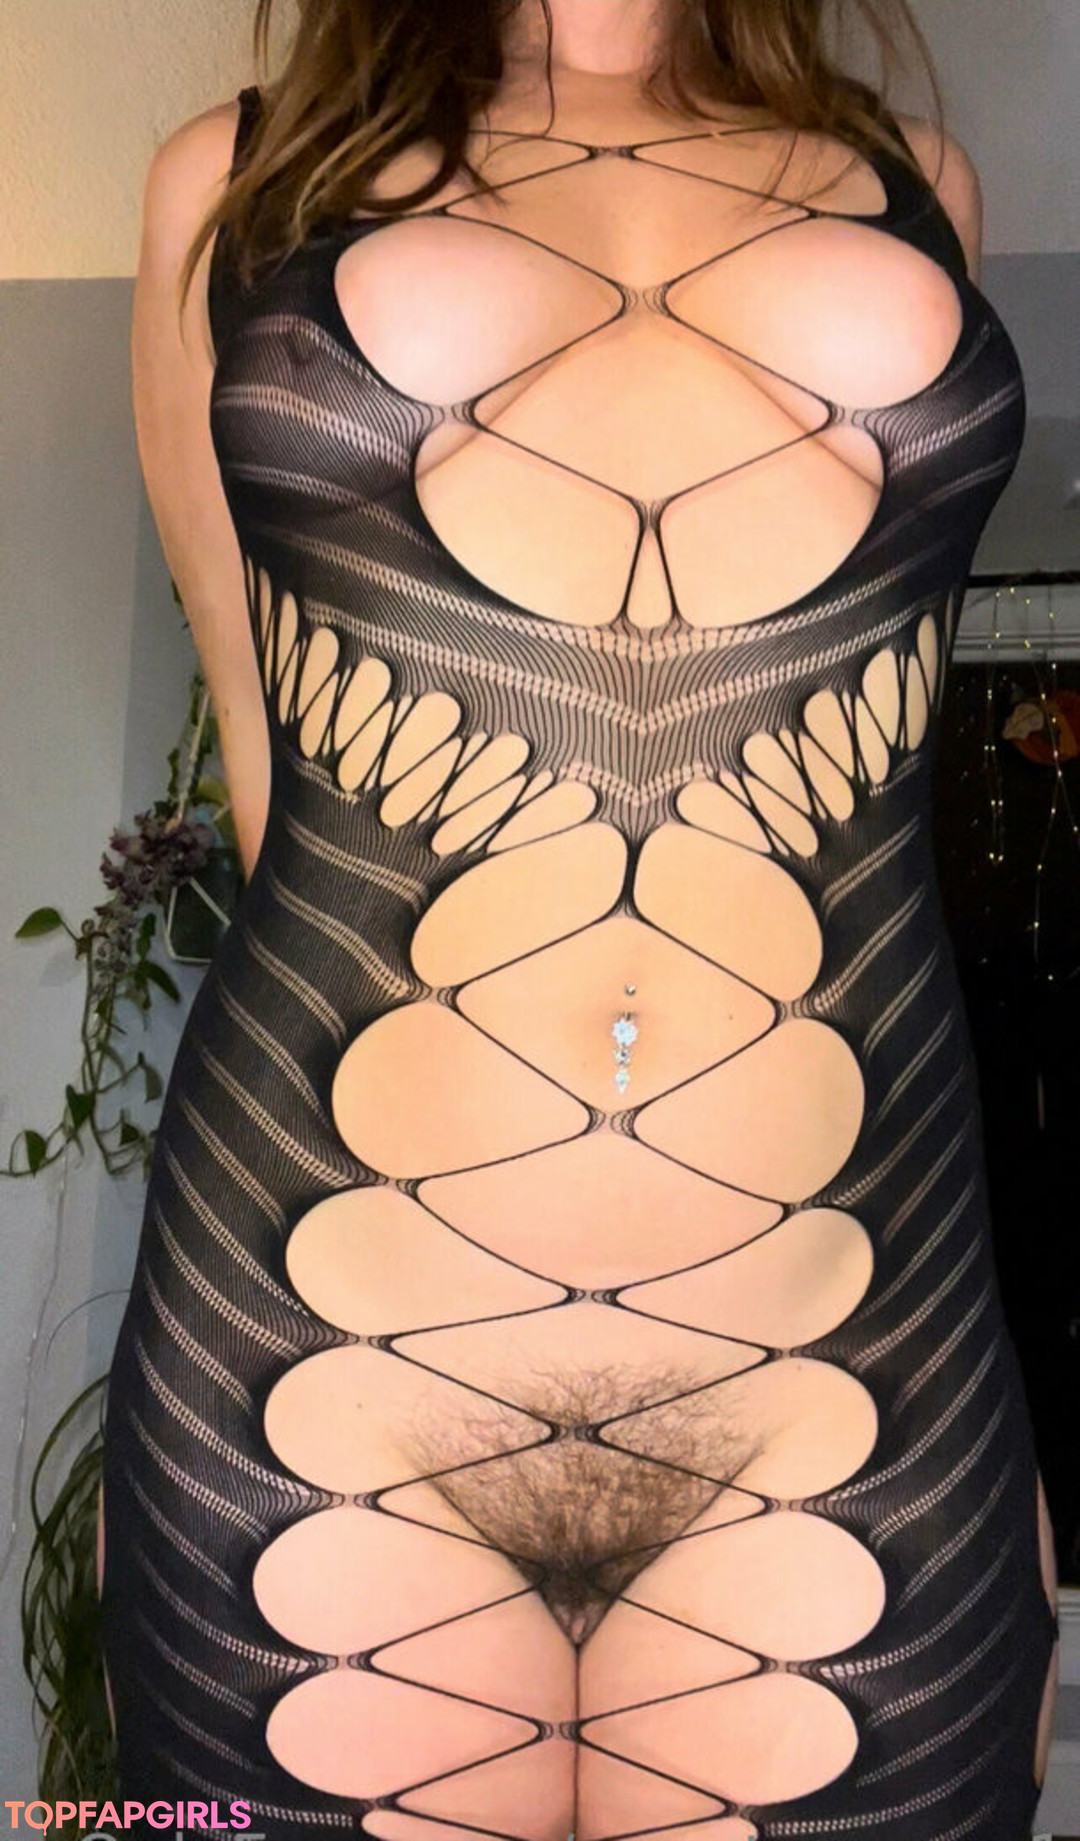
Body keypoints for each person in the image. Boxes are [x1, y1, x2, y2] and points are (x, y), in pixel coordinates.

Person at [96, 0, 1061, 1834]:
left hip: (854, 1346)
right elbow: (267, 760)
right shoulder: (234, 185)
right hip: (327, 1343)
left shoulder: (918, 183)